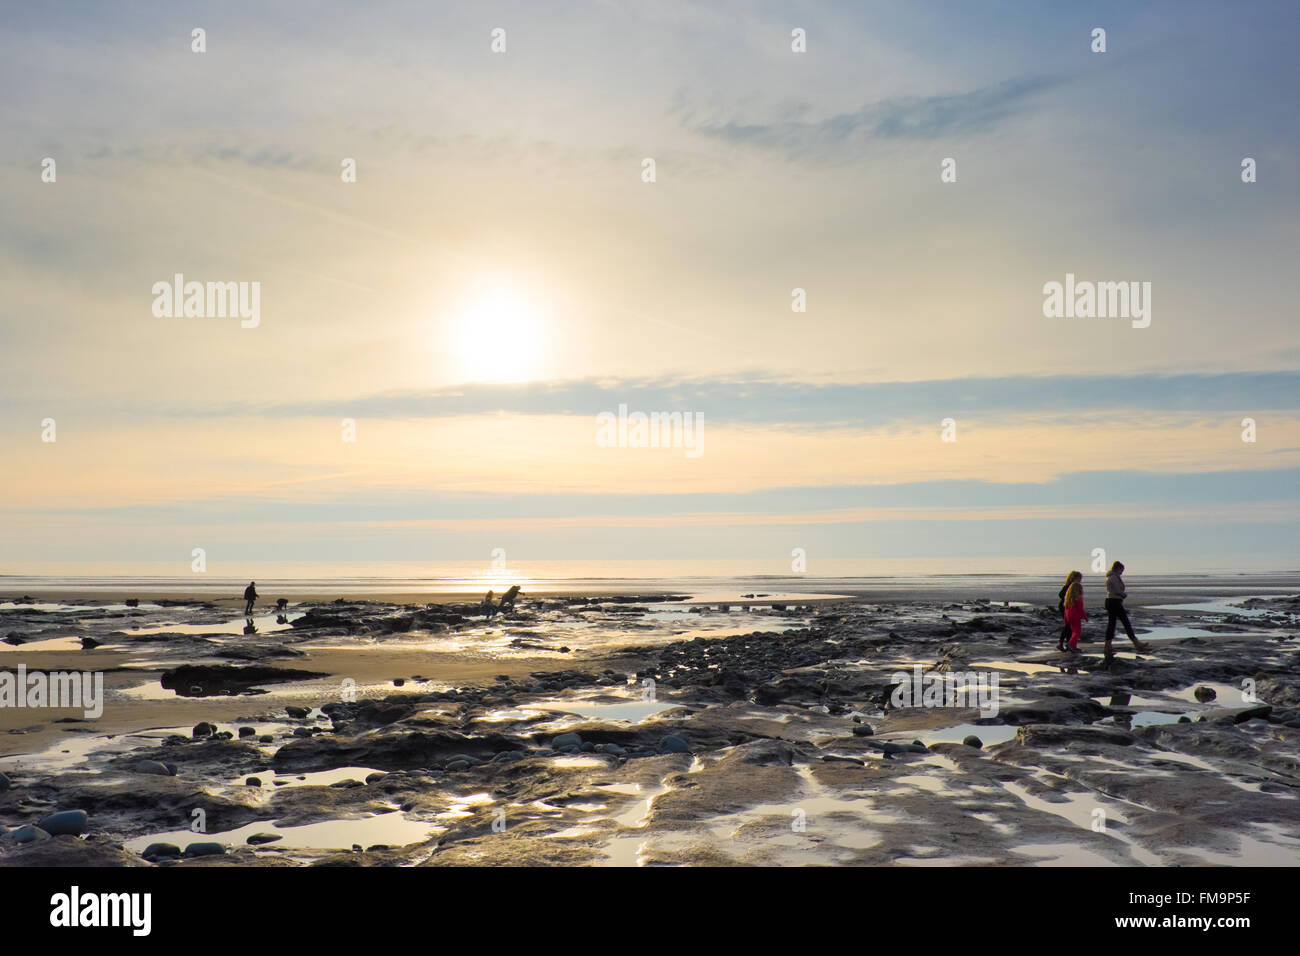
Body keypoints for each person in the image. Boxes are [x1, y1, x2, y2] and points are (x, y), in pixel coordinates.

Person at [1104, 561, 1146, 659]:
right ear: (1118, 568)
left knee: (1112, 624)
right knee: (1125, 622)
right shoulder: (1113, 577)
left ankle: (1108, 645)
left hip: (1112, 601)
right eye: (1121, 570)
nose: (1122, 572)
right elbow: (1117, 590)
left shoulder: (1113, 577)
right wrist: (1123, 595)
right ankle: (1136, 643)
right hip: (1114, 601)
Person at [1056, 570, 1082, 651]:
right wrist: (1069, 599)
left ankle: (1068, 643)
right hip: (1065, 606)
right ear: (1073, 578)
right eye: (1079, 578)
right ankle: (1063, 643)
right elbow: (1061, 594)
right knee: (1068, 625)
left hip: (1067, 606)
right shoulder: (1070, 586)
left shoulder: (1071, 585)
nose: (1080, 580)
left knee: (1069, 626)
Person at [1062, 576, 1088, 652]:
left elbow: (1065, 610)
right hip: (1075, 616)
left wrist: (1066, 620)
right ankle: (1070, 644)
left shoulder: (1068, 599)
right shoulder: (1079, 598)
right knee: (1077, 632)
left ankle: (1073, 646)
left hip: (1069, 616)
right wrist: (1085, 616)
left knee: (1074, 631)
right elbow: (1080, 609)